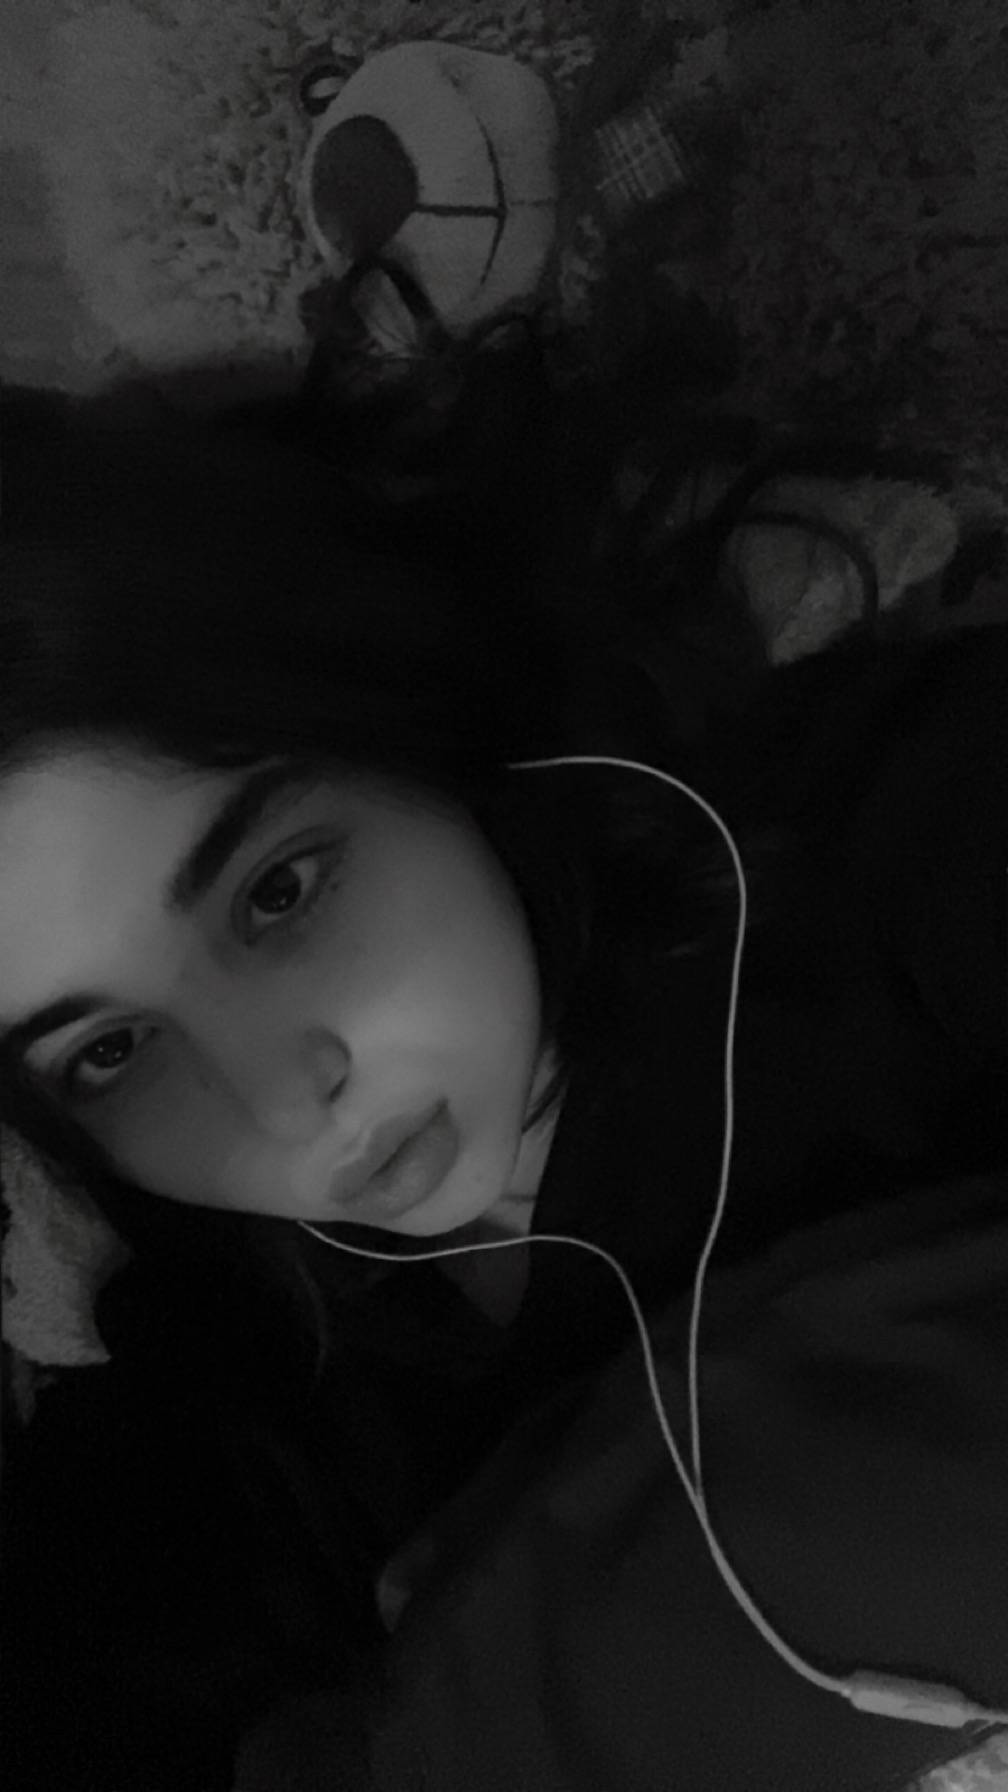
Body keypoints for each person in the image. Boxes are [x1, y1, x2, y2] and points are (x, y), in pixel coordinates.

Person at [0, 378, 1005, 1792]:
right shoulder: (243, 1376)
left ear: (407, 715)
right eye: (108, 1052)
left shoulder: (886, 846)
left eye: (279, 892)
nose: (283, 1104)